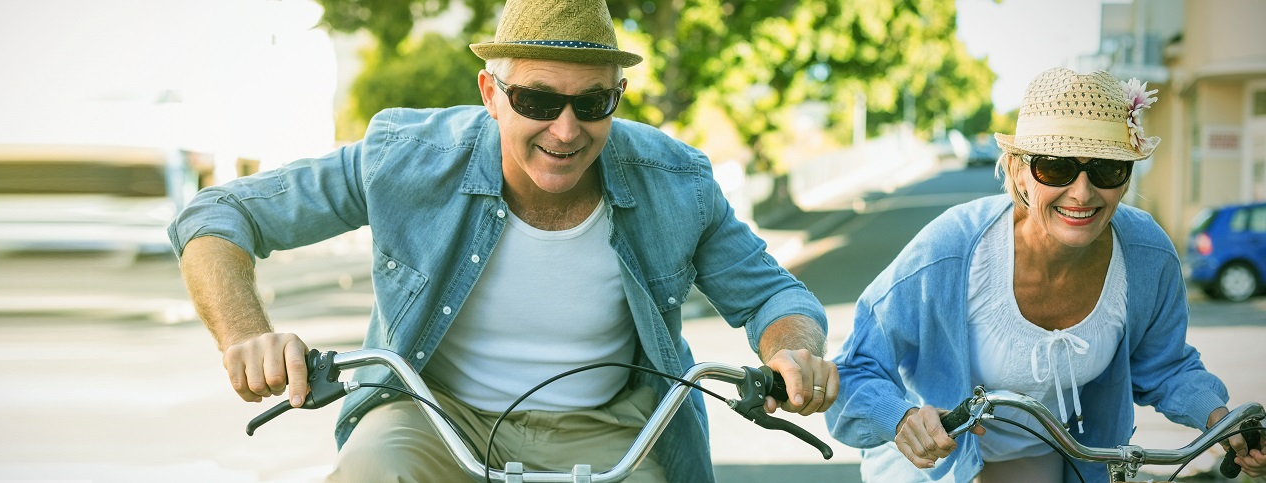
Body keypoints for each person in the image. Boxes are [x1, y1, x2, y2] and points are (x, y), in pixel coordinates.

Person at [168, 0, 837, 481]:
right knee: (371, 470)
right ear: (492, 93)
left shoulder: (676, 181)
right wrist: (245, 335)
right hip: (434, 417)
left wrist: (794, 353)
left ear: (618, 97)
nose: (566, 130)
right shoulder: (406, 158)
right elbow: (218, 215)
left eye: (592, 104)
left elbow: (774, 296)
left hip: (610, 429)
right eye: (540, 102)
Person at [824, 66, 1266, 482]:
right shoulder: (950, 251)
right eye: (1055, 167)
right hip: (931, 465)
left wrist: (1221, 419)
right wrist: (901, 419)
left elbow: (1165, 365)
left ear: (1127, 177)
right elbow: (856, 369)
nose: (1082, 192)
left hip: (1040, 461)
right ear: (1018, 169)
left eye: (1106, 168)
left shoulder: (1147, 253)